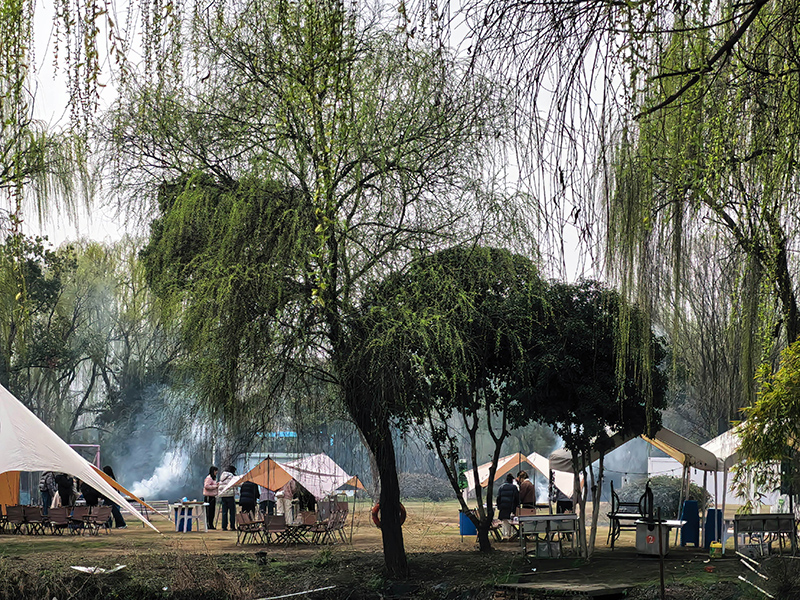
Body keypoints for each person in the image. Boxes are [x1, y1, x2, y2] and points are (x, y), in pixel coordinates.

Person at [495, 473, 520, 540]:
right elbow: (517, 498)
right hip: (511, 507)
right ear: (511, 480)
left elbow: (498, 498)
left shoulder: (501, 487)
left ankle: (505, 534)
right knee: (511, 521)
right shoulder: (514, 487)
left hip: (503, 507)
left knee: (504, 521)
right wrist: (517, 505)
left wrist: (499, 506)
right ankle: (511, 534)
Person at [218, 465, 237, 531]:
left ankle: (224, 526)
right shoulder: (232, 477)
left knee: (224, 512)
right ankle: (232, 526)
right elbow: (236, 484)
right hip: (230, 495)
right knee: (232, 511)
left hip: (223, 496)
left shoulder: (222, 477)